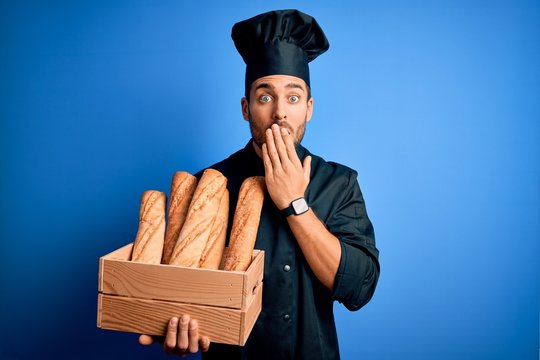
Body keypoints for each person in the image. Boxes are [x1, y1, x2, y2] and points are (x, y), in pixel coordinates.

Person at [139, 9, 380, 359]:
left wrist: (295, 202)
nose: (280, 111)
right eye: (265, 97)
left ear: (309, 108)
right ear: (245, 108)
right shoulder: (210, 185)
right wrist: (176, 321)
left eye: (293, 97)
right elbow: (183, 289)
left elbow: (360, 288)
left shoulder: (340, 183)